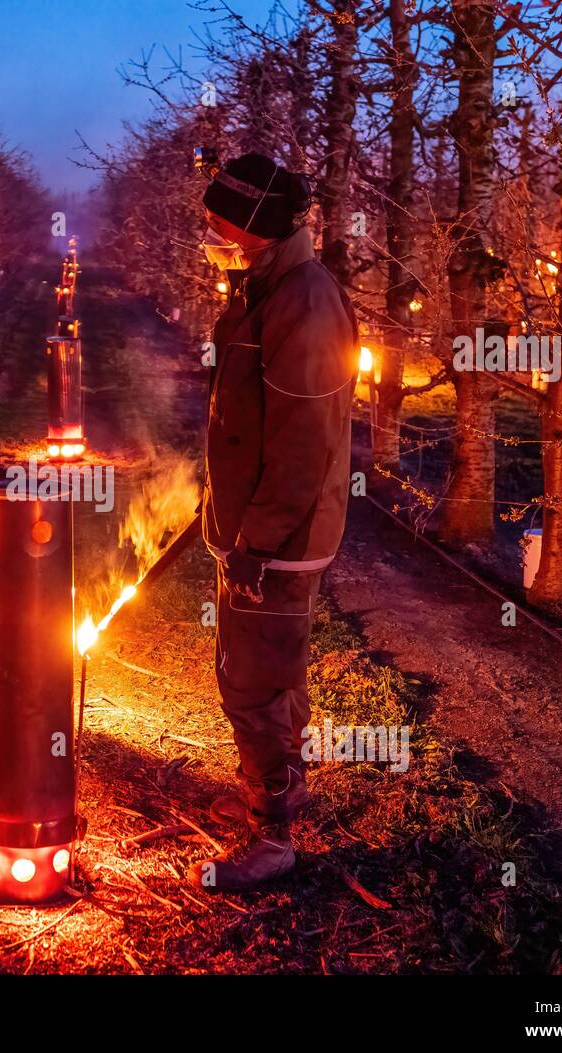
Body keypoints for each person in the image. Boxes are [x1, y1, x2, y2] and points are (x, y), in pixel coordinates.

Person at [187, 154, 358, 892]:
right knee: (267, 674)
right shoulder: (265, 287)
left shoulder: (304, 303)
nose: (207, 234)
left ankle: (274, 835)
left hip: (277, 542)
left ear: (252, 225)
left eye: (217, 223)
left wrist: (255, 539)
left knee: (254, 680)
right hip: (257, 534)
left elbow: (301, 441)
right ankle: (273, 790)